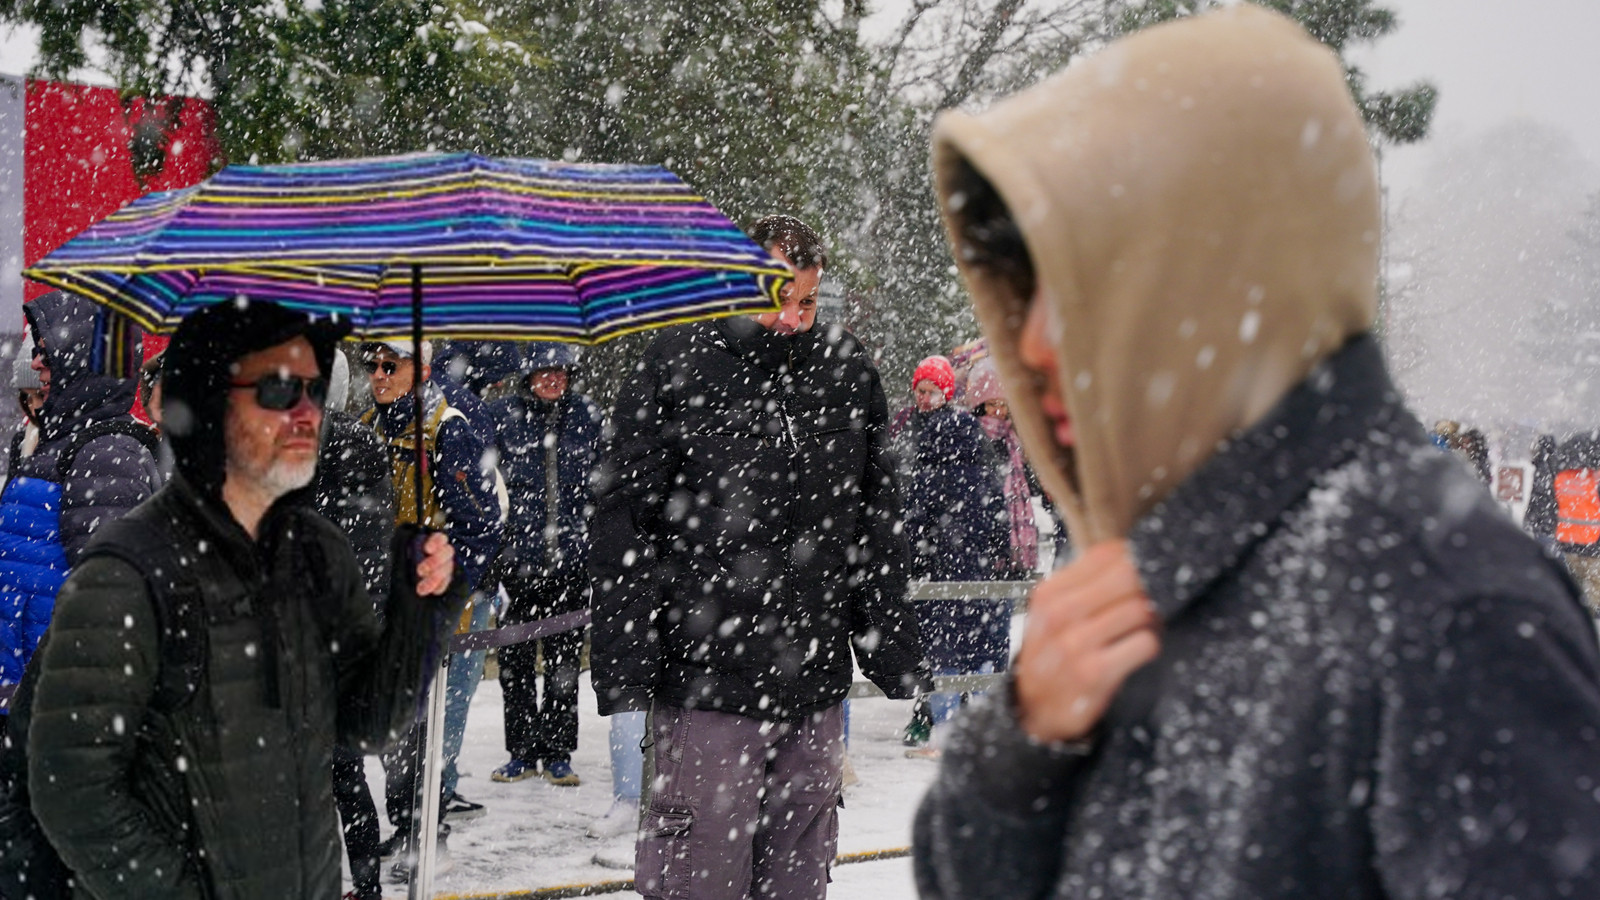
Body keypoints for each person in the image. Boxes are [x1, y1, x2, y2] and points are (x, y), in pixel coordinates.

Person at [914, 7, 1600, 899]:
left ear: (1212, 281)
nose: (1032, 343)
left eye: (1085, 282)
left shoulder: (1451, 617)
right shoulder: (1160, 574)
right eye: (1025, 288)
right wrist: (1022, 745)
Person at [23, 299, 464, 898]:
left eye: (313, 388)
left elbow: (365, 725)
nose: (307, 412)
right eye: (281, 390)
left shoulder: (316, 551)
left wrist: (419, 609)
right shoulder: (127, 571)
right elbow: (69, 784)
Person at [590, 214, 930, 900]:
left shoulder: (847, 371)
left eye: (806, 301)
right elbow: (624, 521)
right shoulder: (673, 364)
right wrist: (629, 662)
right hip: (706, 687)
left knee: (800, 884)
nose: (791, 319)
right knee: (700, 882)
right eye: (776, 297)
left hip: (814, 687)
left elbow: (877, 522)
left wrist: (891, 645)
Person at [360, 338, 503, 877]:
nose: (378, 375)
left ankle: (428, 837)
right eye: (371, 365)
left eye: (389, 366)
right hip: (382, 603)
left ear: (419, 370)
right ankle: (405, 827)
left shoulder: (449, 428)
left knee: (424, 729)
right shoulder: (373, 426)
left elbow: (482, 528)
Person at [0, 292, 161, 711]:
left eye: (47, 354)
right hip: (24, 692)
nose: (35, 365)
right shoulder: (60, 442)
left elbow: (112, 604)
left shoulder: (106, 452)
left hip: (56, 705)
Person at [487, 341, 600, 788]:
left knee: (563, 664)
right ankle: (520, 751)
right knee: (514, 664)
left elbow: (602, 487)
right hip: (518, 566)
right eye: (544, 372)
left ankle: (556, 752)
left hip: (571, 564)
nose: (554, 379)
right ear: (527, 377)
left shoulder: (588, 418)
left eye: (561, 371)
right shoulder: (501, 419)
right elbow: (489, 488)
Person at [312, 350, 396, 900]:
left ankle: (359, 886)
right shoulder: (351, 441)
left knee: (331, 774)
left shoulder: (343, 444)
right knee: (342, 774)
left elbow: (361, 551)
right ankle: (362, 887)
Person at [897, 355, 1010, 756]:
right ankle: (980, 729)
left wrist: (916, 561)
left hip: (939, 575)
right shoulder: (983, 467)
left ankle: (940, 728)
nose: (924, 398)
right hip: (979, 577)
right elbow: (1000, 522)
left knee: (942, 651)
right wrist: (999, 558)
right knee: (981, 652)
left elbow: (913, 525)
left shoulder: (924, 472)